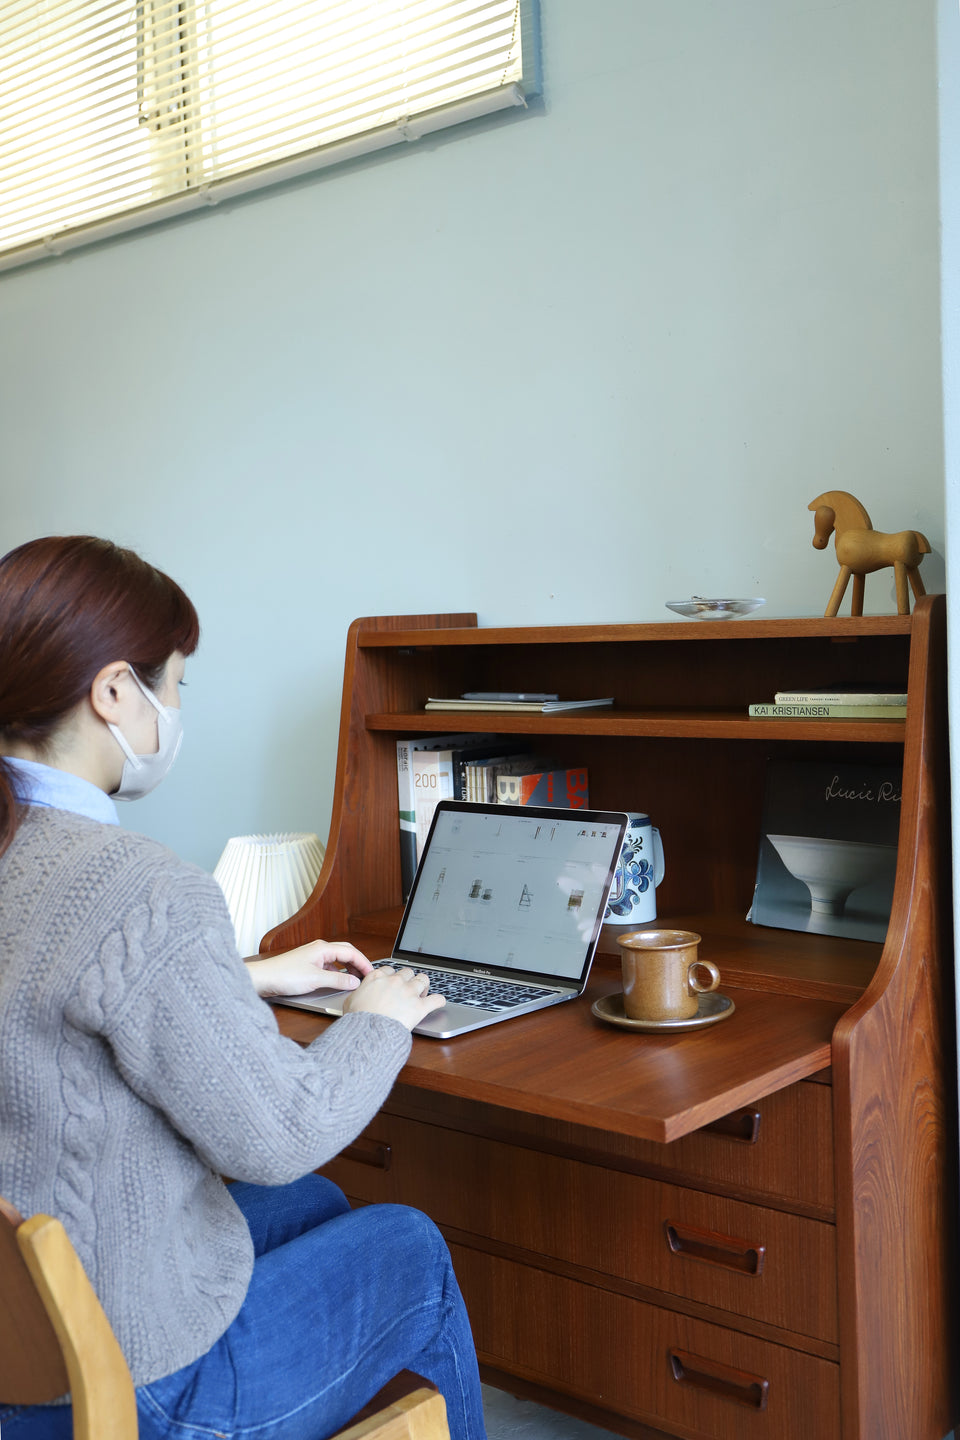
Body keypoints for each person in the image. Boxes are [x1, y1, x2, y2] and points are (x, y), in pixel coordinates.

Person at [0, 535, 487, 1440]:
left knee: (318, 1211)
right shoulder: (138, 884)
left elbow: (38, 993)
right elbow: (281, 1134)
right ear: (113, 692)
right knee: (408, 1244)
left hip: (17, 1339)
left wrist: (246, 974)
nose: (176, 710)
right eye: (174, 685)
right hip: (126, 1390)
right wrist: (376, 1021)